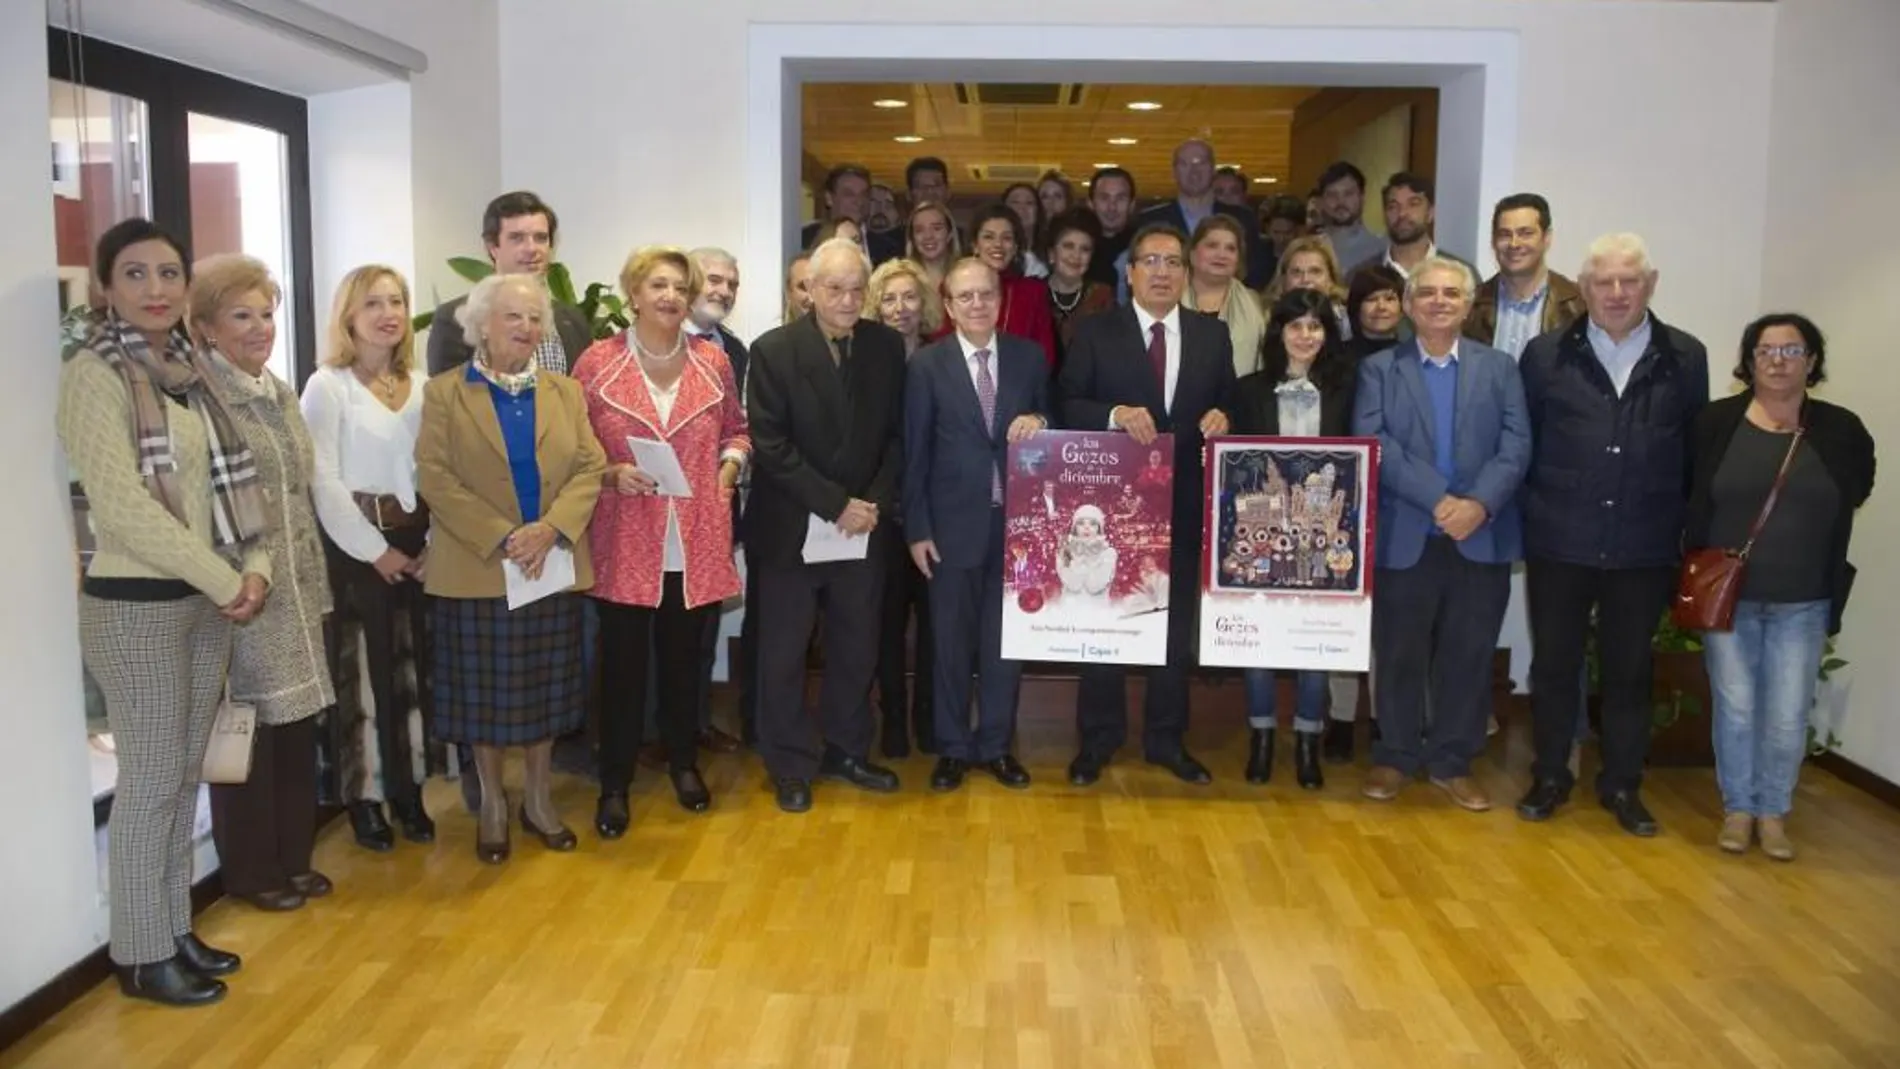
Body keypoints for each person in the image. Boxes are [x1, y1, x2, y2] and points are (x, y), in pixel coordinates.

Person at [58, 218, 270, 1006]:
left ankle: (173, 926)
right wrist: (225, 576)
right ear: (108, 287)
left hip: (205, 599)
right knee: (149, 780)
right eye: (137, 274)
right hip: (135, 604)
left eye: (169, 273)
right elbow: (121, 507)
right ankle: (141, 954)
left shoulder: (188, 370)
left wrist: (255, 567)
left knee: (186, 774)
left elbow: (231, 490)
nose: (156, 289)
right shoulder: (95, 373)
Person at [1516, 234, 1709, 837]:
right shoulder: (1545, 355)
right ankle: (1551, 775)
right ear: (1586, 289)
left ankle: (1623, 784)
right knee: (1554, 666)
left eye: (1630, 281)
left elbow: (1693, 453)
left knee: (1629, 671)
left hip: (1643, 544)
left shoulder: (1686, 355)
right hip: (1560, 541)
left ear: (1650, 286)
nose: (1618, 293)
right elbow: (1529, 446)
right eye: (1605, 282)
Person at [416, 273, 607, 863]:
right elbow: (435, 478)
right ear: (480, 326)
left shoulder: (564, 391)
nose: (526, 328)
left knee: (546, 691)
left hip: (548, 562)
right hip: (478, 568)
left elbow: (590, 465)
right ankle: (494, 802)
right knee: (484, 698)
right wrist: (503, 536)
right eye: (511, 318)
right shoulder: (445, 393)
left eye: (533, 319)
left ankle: (540, 799)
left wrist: (550, 528)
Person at [1686, 314, 1874, 860]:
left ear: (1812, 361)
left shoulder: (1840, 429)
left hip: (1804, 598)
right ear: (1748, 360)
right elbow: (1690, 490)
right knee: (1738, 707)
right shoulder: (1715, 423)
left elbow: (1858, 486)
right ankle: (1739, 811)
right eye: (1765, 349)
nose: (1777, 360)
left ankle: (1774, 814)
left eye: (1792, 350)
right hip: (1730, 597)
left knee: (1789, 711)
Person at [574, 247, 749, 836]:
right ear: (634, 293)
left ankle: (683, 763)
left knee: (683, 663)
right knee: (622, 668)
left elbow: (738, 432)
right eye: (658, 285)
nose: (670, 296)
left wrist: (727, 470)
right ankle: (615, 782)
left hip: (694, 535)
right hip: (626, 532)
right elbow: (574, 446)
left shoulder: (711, 362)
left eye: (680, 286)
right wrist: (608, 473)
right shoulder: (597, 362)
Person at [1057, 223, 1236, 787]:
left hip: (1183, 503)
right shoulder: (1096, 331)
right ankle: (1099, 738)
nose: (1162, 271)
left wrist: (1225, 417)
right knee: (1107, 620)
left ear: (1186, 274)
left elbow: (1230, 402)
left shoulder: (1212, 336)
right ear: (1129, 272)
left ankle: (1165, 739)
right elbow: (1066, 401)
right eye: (1150, 261)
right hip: (1115, 507)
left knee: (1173, 627)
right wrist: (1113, 415)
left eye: (1173, 262)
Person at [1353, 256, 1530, 812]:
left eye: (1450, 293)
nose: (1437, 301)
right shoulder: (1380, 369)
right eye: (1425, 292)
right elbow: (1374, 440)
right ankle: (1396, 755)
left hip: (1481, 533)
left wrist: (1476, 503)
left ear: (1469, 303)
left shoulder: (1500, 368)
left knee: (1469, 653)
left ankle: (1454, 761)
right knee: (1399, 651)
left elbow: (1517, 444)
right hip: (1408, 532)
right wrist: (1440, 499)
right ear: (1407, 305)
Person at [192, 255, 335, 912]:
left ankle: (293, 856)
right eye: (240, 316)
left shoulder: (275, 387)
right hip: (246, 590)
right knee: (249, 730)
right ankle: (252, 870)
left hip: (299, 587)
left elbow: (303, 484)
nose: (259, 327)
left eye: (266, 313)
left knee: (296, 729)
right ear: (206, 327)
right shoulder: (203, 395)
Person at [747, 238, 908, 813]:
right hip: (794, 526)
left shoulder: (887, 347)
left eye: (856, 289)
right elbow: (771, 445)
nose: (846, 299)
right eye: (833, 288)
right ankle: (790, 762)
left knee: (855, 645)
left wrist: (872, 503)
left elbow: (896, 436)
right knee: (784, 653)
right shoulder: (772, 351)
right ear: (809, 291)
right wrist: (835, 503)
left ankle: (846, 749)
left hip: (863, 526)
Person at [903, 257, 1050, 791]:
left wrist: (1041, 420)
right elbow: (914, 452)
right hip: (948, 529)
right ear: (948, 306)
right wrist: (916, 529)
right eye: (964, 297)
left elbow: (1052, 424)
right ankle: (952, 748)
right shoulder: (926, 365)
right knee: (948, 643)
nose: (977, 304)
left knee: (1002, 643)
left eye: (986, 294)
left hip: (1018, 528)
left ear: (1001, 299)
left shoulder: (1029, 359)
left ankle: (994, 746)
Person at [303, 265, 435, 851]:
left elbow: (439, 470)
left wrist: (434, 546)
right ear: (349, 316)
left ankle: (409, 792)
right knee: (361, 677)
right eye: (374, 303)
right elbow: (322, 479)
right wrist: (374, 550)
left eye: (398, 302)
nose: (389, 313)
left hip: (419, 547)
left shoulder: (424, 384)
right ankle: (365, 799)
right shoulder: (328, 386)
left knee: (410, 673)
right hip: (358, 549)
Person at [1231, 290, 1359, 789]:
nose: (1306, 336)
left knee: (1315, 641)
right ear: (1278, 332)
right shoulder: (1248, 391)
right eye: (1295, 326)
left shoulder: (1348, 389)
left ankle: (1309, 738)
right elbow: (1236, 469)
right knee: (1259, 639)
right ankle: (1261, 735)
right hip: (1263, 535)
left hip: (1328, 534)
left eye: (1316, 327)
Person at [865, 258, 944, 756]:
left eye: (909, 297)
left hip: (937, 514)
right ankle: (893, 717)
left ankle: (929, 718)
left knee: (936, 625)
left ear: (926, 303)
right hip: (884, 516)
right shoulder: (868, 361)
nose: (900, 308)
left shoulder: (943, 358)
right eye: (889, 299)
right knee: (887, 625)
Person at [426, 191, 591, 375]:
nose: (531, 249)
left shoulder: (573, 321)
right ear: (492, 247)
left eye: (540, 238)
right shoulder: (456, 319)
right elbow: (447, 397)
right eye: (517, 238)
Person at [1466, 193, 1586, 357]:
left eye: (1526, 233)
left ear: (1546, 238)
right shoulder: (1468, 304)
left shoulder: (1581, 305)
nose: (1514, 244)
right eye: (1505, 234)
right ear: (1493, 241)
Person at [953, 205, 1057, 369]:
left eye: (1006, 238)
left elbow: (1045, 355)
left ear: (1015, 247)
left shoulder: (1033, 292)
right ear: (975, 245)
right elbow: (945, 348)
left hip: (1020, 386)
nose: (998, 244)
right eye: (989, 237)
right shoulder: (954, 287)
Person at [1185, 215, 1267, 378]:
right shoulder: (1167, 299)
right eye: (1212, 245)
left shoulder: (1256, 303)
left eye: (1231, 248)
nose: (1221, 254)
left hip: (1241, 398)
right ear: (1193, 253)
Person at [1042, 209, 1118, 368]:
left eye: (1085, 249)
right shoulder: (1033, 294)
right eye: (1068, 246)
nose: (1076, 256)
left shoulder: (1102, 295)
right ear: (1051, 253)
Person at [1001, 182, 1051, 278]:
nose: (1022, 208)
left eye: (1029, 203)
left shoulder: (1050, 253)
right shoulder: (996, 253)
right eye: (1015, 202)